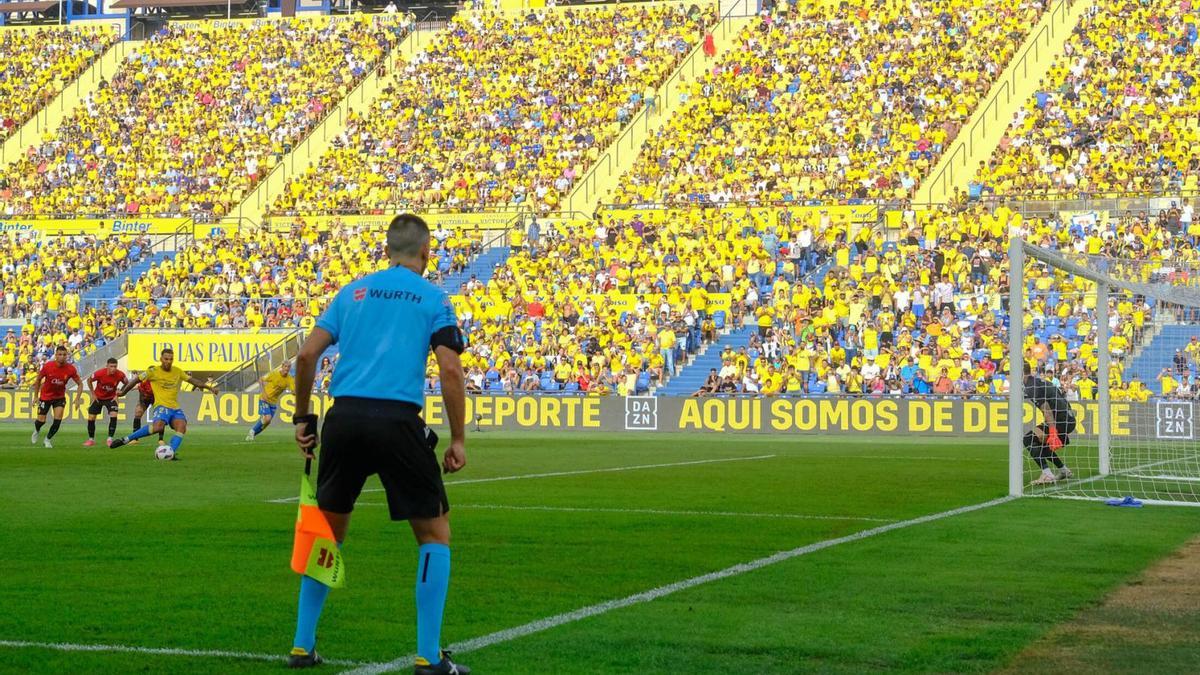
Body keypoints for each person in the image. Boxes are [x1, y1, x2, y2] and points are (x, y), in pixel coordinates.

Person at [285, 214, 469, 674]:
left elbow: (306, 356)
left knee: (329, 533)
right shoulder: (433, 297)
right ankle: (429, 656)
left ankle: (302, 646)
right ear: (426, 252)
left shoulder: (352, 292)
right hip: (397, 421)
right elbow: (450, 369)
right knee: (434, 535)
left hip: (344, 419)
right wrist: (458, 438)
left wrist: (304, 417)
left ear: (387, 251)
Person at [109, 349, 218, 458]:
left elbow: (194, 381)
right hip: (161, 405)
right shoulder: (153, 371)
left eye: (171, 359)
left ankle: (170, 452)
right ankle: (126, 439)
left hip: (175, 407)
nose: (168, 361)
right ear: (161, 359)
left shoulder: (177, 371)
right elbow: (136, 380)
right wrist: (123, 392)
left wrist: (210, 388)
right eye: (166, 359)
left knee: (182, 427)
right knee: (158, 427)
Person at [1023, 362, 1075, 485]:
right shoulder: (1042, 382)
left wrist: (1052, 432)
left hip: (1059, 420)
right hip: (1069, 418)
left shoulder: (1031, 387)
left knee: (1028, 439)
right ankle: (1063, 470)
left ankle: (1047, 474)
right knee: (1042, 443)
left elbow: (1046, 410)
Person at [31, 345, 83, 448]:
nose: (62, 357)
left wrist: (77, 398)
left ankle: (47, 440)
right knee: (41, 420)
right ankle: (37, 430)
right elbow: (38, 380)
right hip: (45, 396)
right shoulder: (48, 366)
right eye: (60, 354)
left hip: (59, 397)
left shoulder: (71, 369)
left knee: (58, 420)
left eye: (64, 355)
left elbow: (80, 384)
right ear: (56, 355)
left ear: (67, 356)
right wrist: (36, 396)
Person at [247, 360, 295, 442]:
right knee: (268, 419)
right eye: (285, 366)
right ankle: (252, 431)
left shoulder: (290, 379)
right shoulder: (274, 374)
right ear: (282, 367)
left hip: (273, 402)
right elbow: (261, 380)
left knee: (267, 422)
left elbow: (293, 392)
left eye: (288, 367)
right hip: (264, 399)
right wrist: (263, 393)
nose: (287, 368)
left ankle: (252, 433)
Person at [85, 358, 128, 447]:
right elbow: (89, 380)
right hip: (98, 398)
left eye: (115, 366)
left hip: (111, 398)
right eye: (111, 366)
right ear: (107, 366)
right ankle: (91, 440)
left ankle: (110, 439)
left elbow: (127, 383)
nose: (113, 368)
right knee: (91, 417)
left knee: (114, 415)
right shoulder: (99, 373)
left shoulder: (120, 374)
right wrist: (93, 393)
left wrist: (120, 392)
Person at [130, 375, 163, 445]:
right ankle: (135, 439)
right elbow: (141, 392)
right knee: (138, 413)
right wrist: (141, 403)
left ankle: (161, 439)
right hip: (145, 398)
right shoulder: (144, 381)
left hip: (156, 398)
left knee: (161, 416)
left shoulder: (159, 381)